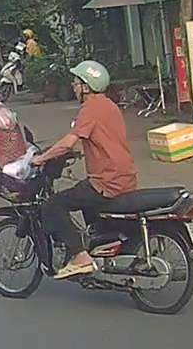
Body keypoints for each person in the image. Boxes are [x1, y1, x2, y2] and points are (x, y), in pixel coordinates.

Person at [31, 60, 138, 278]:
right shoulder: (110, 106)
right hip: (125, 176)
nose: (73, 86)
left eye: (76, 83)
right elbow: (102, 139)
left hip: (106, 181)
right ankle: (99, 249)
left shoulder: (90, 108)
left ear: (86, 87)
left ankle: (80, 257)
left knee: (53, 204)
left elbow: (69, 142)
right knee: (83, 194)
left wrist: (42, 158)